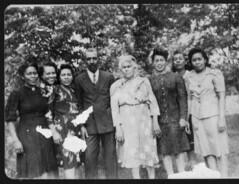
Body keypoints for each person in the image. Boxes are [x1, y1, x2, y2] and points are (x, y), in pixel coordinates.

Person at [110, 55, 161, 179]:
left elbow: (153, 102)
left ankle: (152, 177)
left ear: (134, 68)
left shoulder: (143, 82)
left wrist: (155, 122)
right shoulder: (116, 86)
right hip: (127, 123)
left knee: (148, 150)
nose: (126, 69)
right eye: (124, 67)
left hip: (144, 121)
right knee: (132, 152)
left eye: (129, 66)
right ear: (120, 69)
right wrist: (118, 128)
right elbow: (114, 110)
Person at [5, 63, 58, 179]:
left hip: (44, 133)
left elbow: (48, 113)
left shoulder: (43, 92)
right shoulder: (17, 93)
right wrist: (15, 140)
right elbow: (10, 120)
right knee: (33, 170)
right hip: (27, 134)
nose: (33, 76)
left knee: (49, 169)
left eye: (35, 73)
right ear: (23, 76)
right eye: (29, 74)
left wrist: (53, 131)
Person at [74, 47, 117, 179]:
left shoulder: (108, 76)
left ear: (98, 59)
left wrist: (113, 119)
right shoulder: (79, 79)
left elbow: (113, 99)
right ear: (85, 61)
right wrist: (81, 125)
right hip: (89, 124)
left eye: (94, 58)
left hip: (107, 122)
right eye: (89, 58)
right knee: (89, 158)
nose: (92, 61)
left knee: (110, 157)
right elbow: (79, 103)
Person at [186, 48, 229, 177]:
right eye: (194, 60)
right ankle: (214, 176)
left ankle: (225, 178)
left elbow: (221, 96)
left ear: (205, 60)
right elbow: (189, 97)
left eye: (199, 59)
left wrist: (221, 118)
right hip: (197, 117)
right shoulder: (188, 76)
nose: (197, 62)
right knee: (207, 151)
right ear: (191, 62)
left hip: (213, 115)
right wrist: (188, 118)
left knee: (220, 149)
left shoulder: (214, 74)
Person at [149, 48, 190, 178]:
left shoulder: (176, 77)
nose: (159, 63)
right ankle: (171, 176)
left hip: (175, 119)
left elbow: (183, 98)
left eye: (161, 60)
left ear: (166, 62)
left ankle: (182, 175)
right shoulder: (149, 80)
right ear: (153, 63)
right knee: (165, 152)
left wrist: (183, 117)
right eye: (156, 61)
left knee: (178, 150)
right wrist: (153, 122)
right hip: (160, 121)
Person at [50, 64, 81, 179]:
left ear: (72, 76)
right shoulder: (54, 90)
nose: (66, 77)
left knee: (76, 160)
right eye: (63, 75)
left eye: (69, 74)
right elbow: (48, 112)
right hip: (62, 130)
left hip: (75, 129)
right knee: (68, 160)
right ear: (59, 77)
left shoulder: (74, 90)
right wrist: (54, 131)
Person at [172, 50, 197, 168]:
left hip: (189, 112)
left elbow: (190, 96)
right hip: (176, 113)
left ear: (185, 60)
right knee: (180, 142)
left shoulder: (189, 75)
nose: (177, 61)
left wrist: (187, 116)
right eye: (175, 59)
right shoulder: (172, 76)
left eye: (180, 58)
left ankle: (194, 166)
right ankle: (182, 168)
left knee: (190, 143)